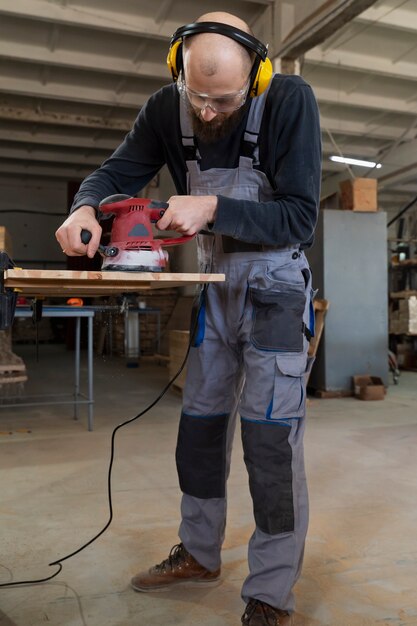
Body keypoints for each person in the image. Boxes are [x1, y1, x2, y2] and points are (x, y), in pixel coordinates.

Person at [56, 11, 321, 626]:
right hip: (212, 287)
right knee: (199, 429)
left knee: (270, 441)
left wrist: (212, 207)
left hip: (276, 288)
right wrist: (85, 207)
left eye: (222, 99)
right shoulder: (165, 108)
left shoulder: (290, 101)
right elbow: (114, 172)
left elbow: (299, 218)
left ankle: (271, 593)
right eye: (196, 97)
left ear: (255, 78)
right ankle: (200, 554)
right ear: (179, 73)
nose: (206, 113)